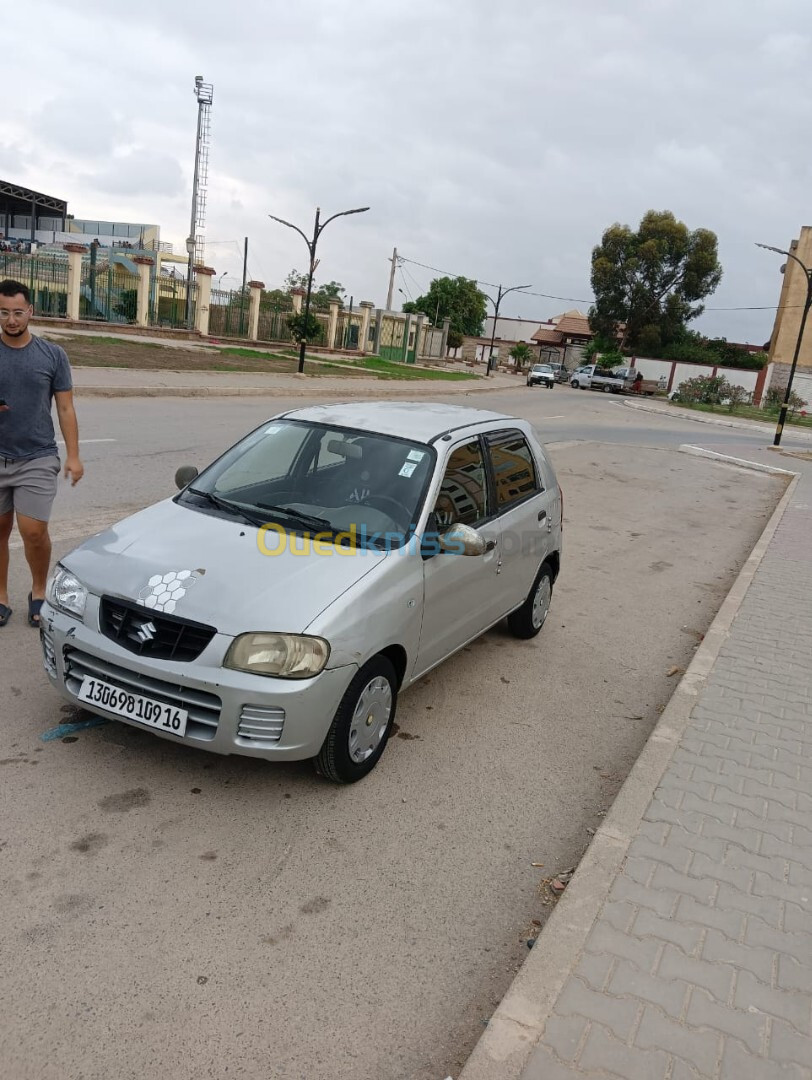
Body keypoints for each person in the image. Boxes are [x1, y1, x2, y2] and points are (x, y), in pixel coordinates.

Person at [0, 279, 83, 628]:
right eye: (4, 313)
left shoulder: (52, 355)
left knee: (33, 532)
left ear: (31, 311)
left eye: (18, 312)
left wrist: (74, 456)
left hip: (37, 455)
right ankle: (0, 596)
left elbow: (65, 409)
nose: (11, 320)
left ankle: (38, 590)